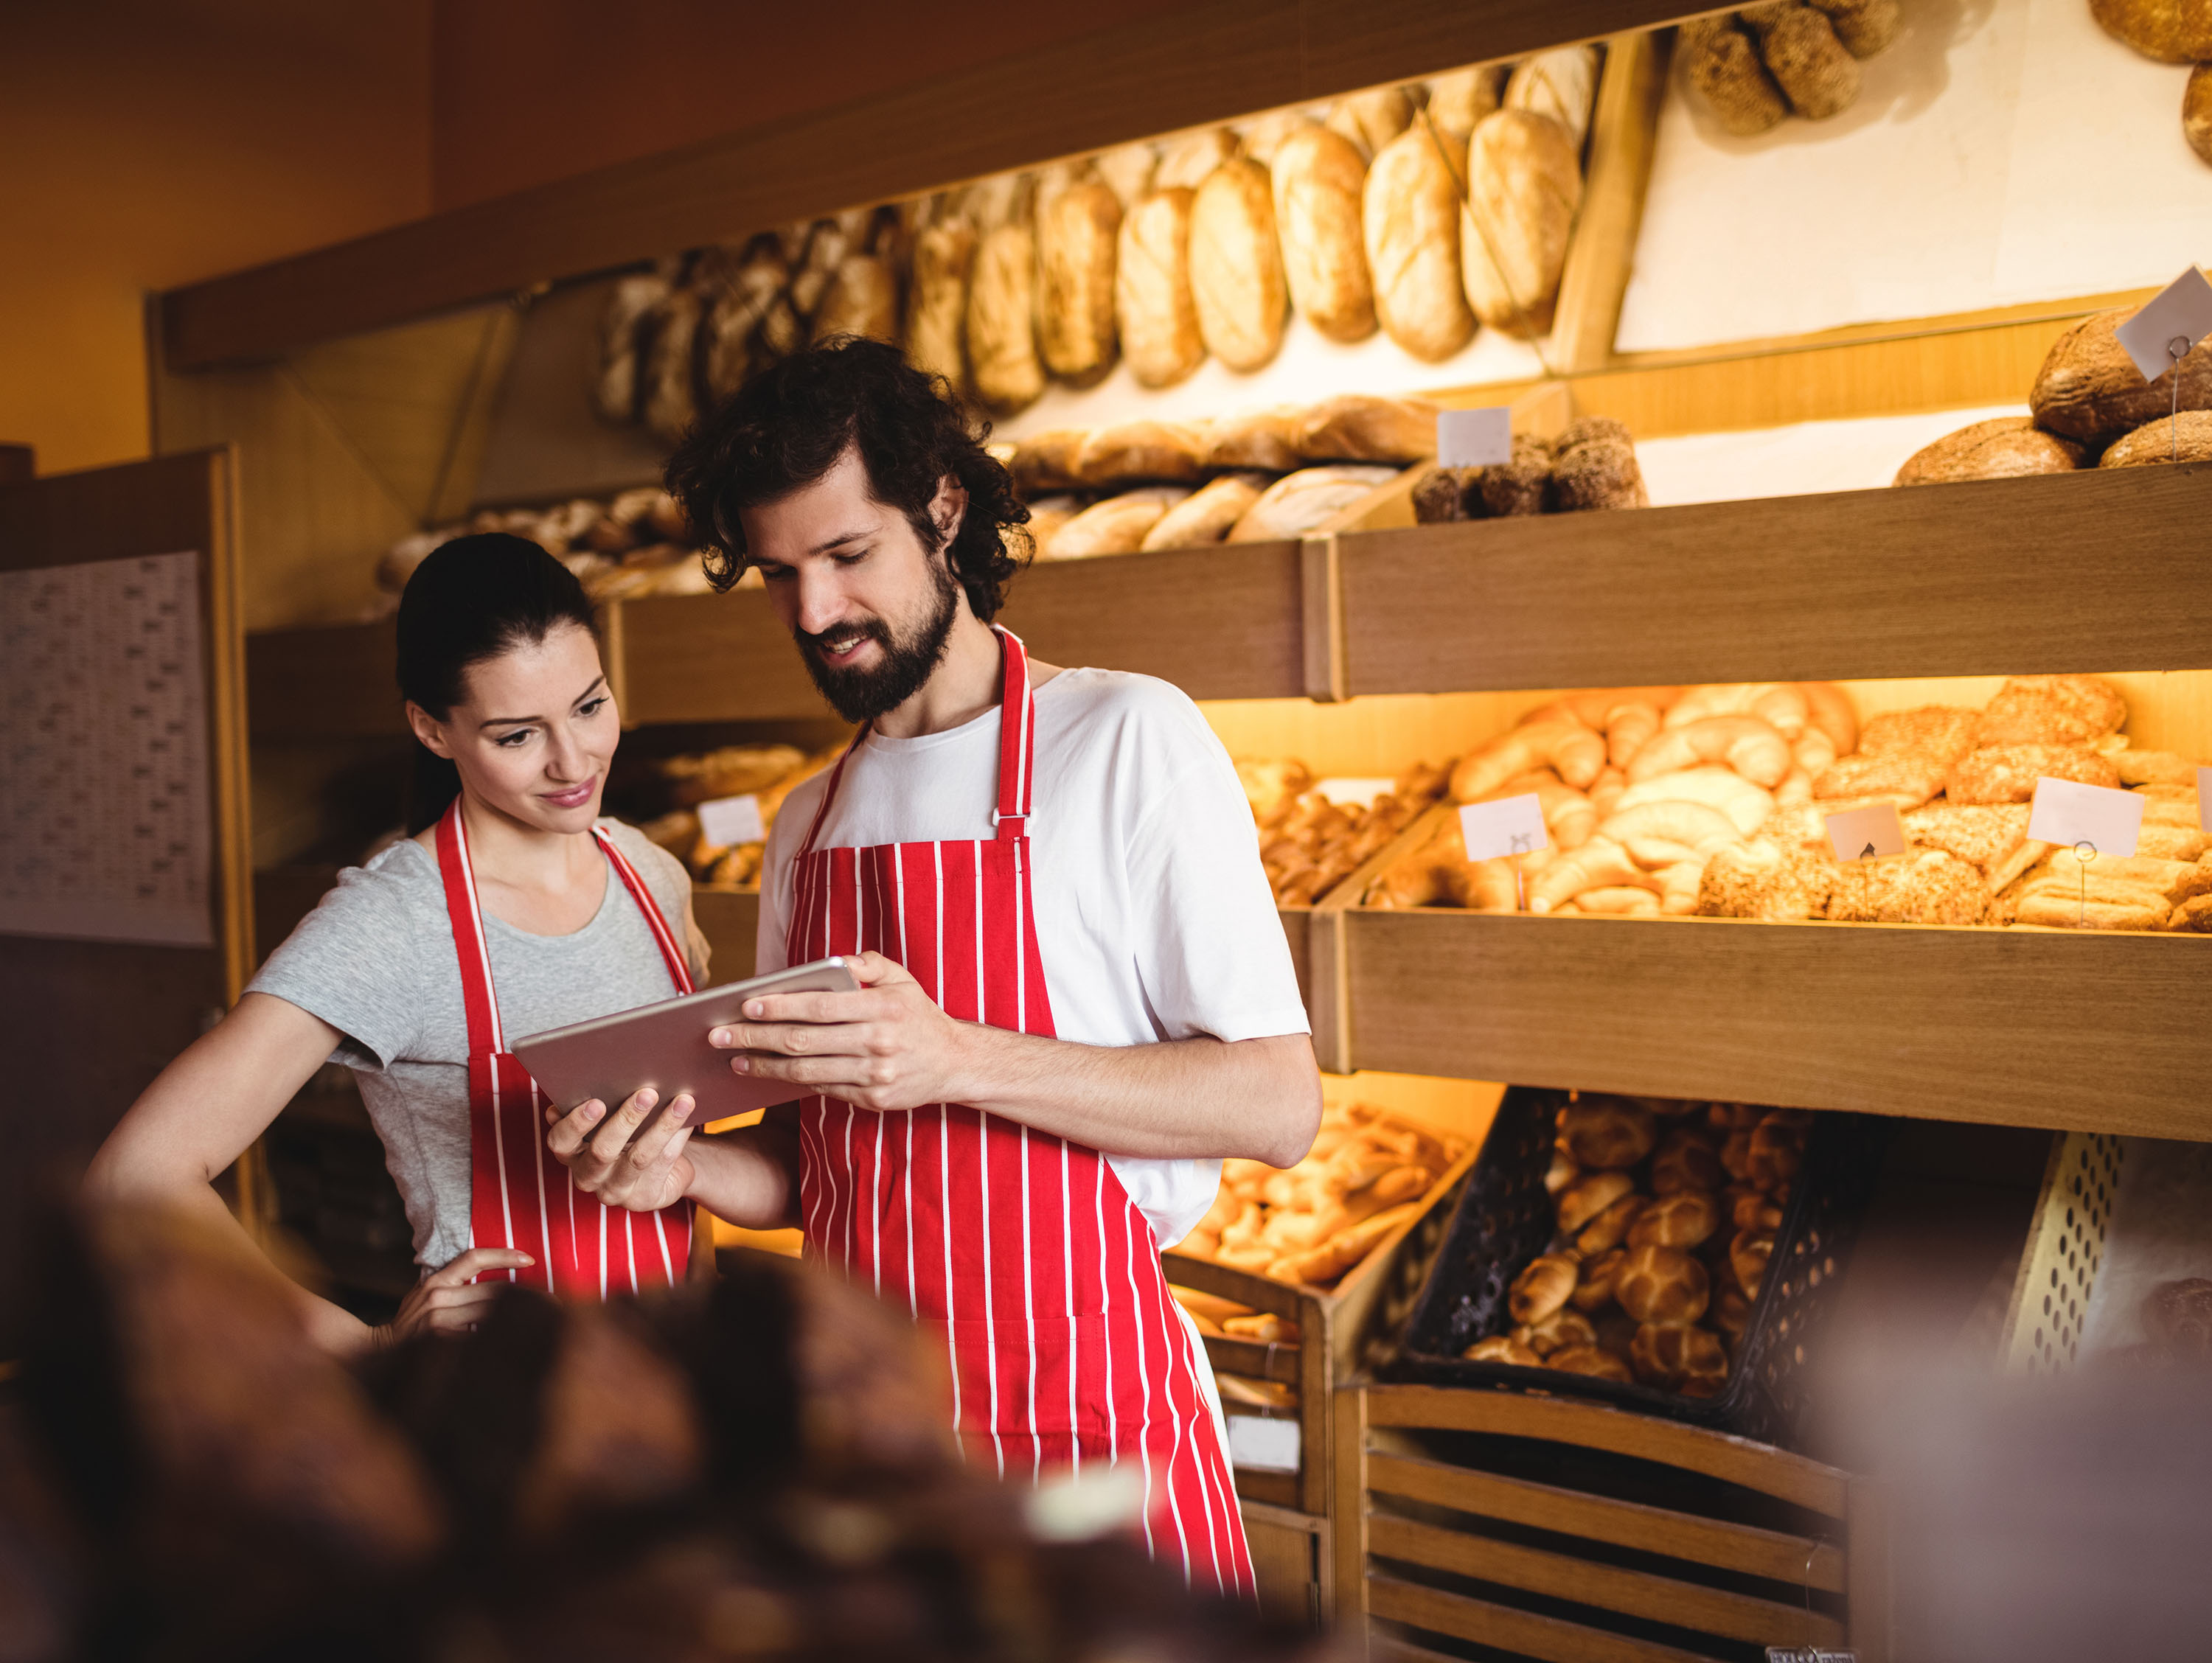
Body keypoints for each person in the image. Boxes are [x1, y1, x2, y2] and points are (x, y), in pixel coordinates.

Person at [559, 338, 1321, 1597]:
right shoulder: (807, 825)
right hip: (883, 1456)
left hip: (1093, 1440)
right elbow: (822, 1176)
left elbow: (1279, 1104)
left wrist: (956, 1053)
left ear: (944, 509)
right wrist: (674, 1167)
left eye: (849, 556)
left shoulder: (1124, 739)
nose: (814, 613)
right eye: (781, 574)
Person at [88, 534, 710, 1354]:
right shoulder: (395, 923)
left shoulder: (650, 872)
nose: (574, 762)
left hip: (681, 1373)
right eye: (517, 735)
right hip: (503, 1402)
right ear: (431, 729)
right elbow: (133, 1183)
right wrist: (366, 1348)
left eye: (590, 707)